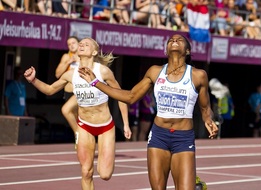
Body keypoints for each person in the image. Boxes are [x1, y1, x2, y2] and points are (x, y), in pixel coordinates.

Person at [78, 34, 218, 189]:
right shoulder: (155, 72)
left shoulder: (198, 75)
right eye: (170, 40)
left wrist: (208, 120)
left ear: (187, 51)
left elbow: (205, 107)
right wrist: (95, 82)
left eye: (180, 40)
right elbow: (130, 97)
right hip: (159, 137)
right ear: (166, 51)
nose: (174, 41)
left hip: (183, 138)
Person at [24, 37, 132, 190]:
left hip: (105, 126)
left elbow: (121, 96)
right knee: (86, 171)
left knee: (105, 174)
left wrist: (126, 124)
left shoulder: (103, 71)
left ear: (94, 52)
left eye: (86, 44)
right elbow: (49, 90)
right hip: (84, 126)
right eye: (80, 44)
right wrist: (33, 80)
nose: (81, 45)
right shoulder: (71, 75)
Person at [55, 36, 80, 136]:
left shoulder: (84, 57)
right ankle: (78, 137)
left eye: (73, 43)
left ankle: (80, 136)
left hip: (80, 91)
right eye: (69, 44)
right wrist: (68, 62)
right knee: (73, 116)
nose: (71, 46)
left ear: (79, 44)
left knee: (79, 116)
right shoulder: (66, 56)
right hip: (69, 91)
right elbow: (57, 74)